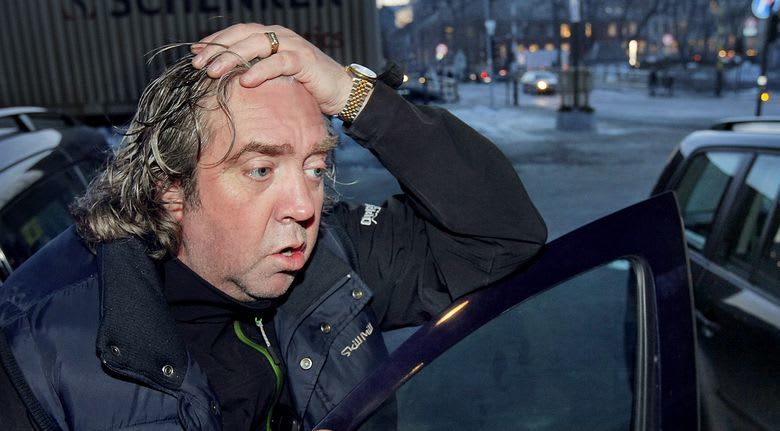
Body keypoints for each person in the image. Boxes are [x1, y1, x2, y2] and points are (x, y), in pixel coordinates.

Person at [0, 23, 546, 431]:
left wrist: (351, 93)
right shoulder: (37, 355)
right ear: (171, 190)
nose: (305, 207)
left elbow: (501, 235)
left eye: (315, 168)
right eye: (261, 169)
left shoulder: (332, 258)